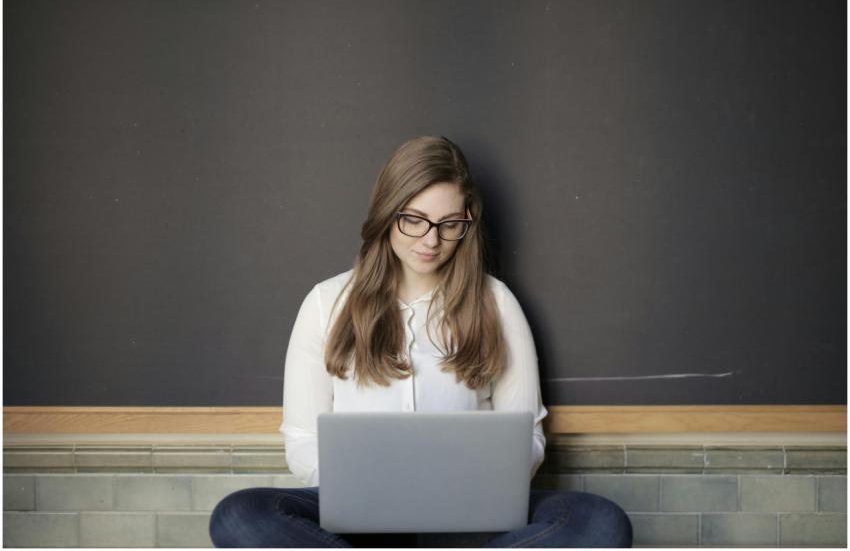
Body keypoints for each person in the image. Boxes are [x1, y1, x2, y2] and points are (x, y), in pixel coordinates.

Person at [209, 136, 633, 547]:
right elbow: (302, 438)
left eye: (450, 224)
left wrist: (480, 489)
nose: (431, 240)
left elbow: (529, 437)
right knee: (238, 514)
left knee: (598, 521)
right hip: (357, 520)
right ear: (387, 213)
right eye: (414, 219)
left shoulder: (496, 302)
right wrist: (360, 496)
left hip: (471, 515)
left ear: (467, 221)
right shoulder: (326, 303)